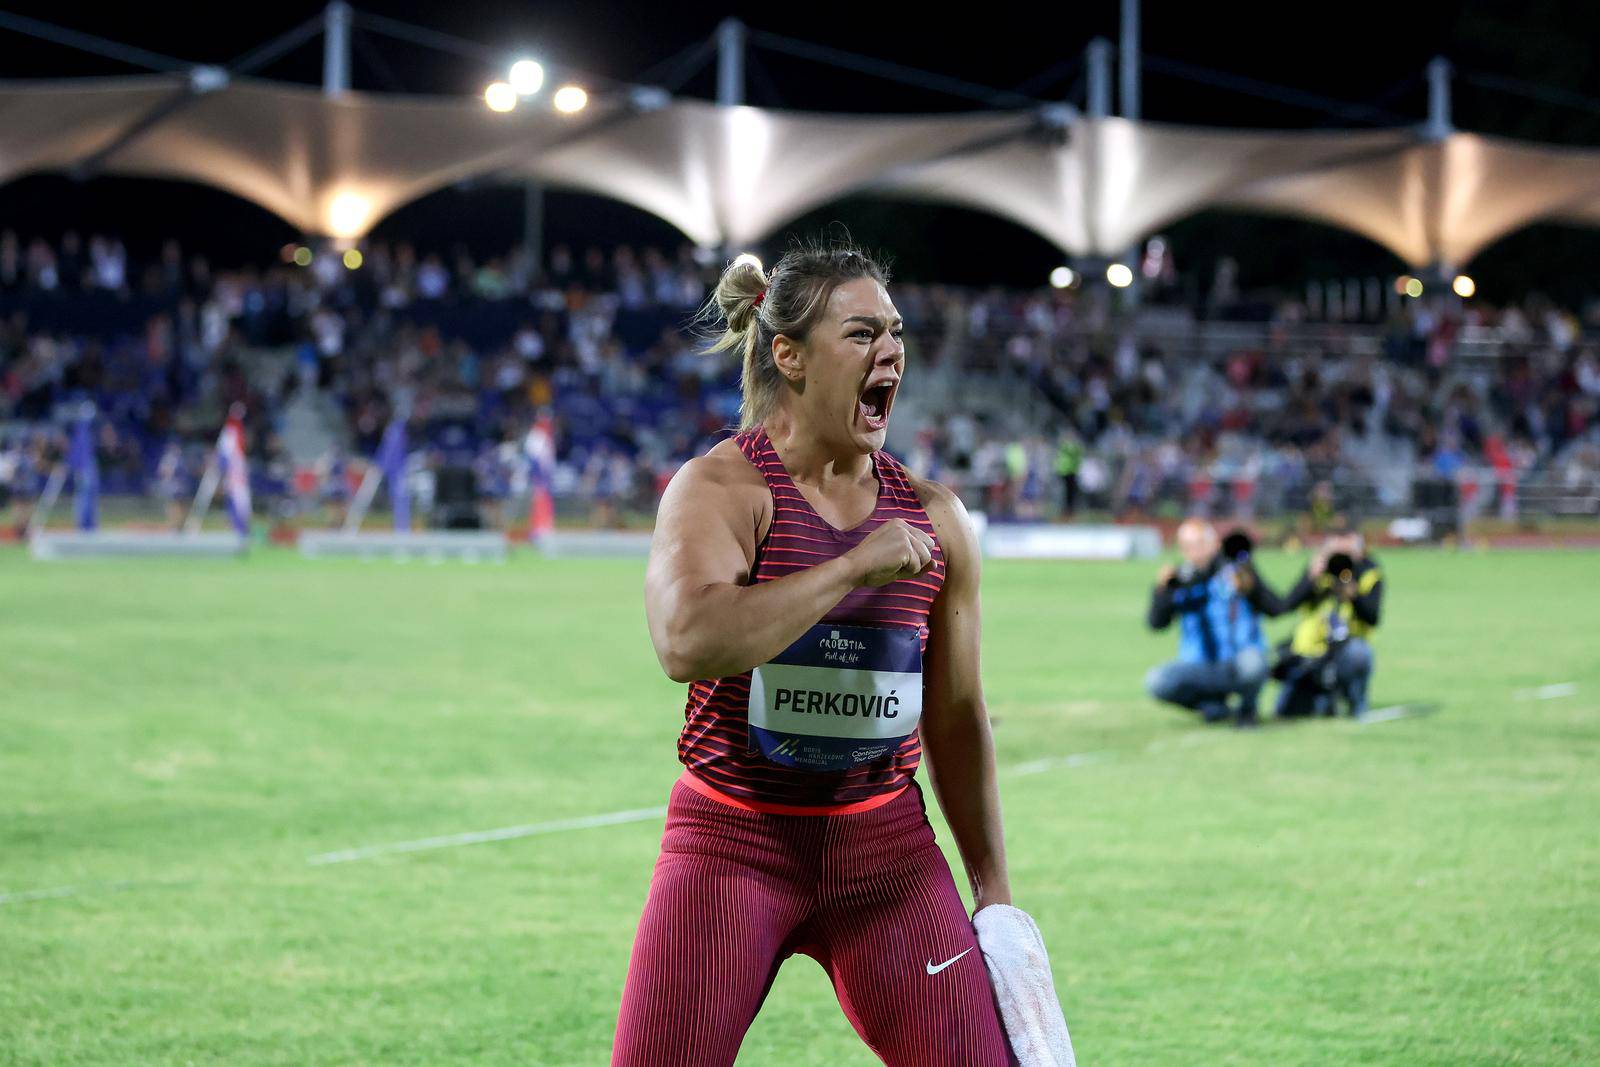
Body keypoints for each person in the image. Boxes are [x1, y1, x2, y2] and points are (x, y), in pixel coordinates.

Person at [613, 243, 1013, 1065]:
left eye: (895, 332)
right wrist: (853, 565)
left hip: (888, 857)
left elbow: (957, 714)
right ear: (788, 355)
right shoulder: (721, 490)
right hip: (731, 845)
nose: (891, 351)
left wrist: (992, 889)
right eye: (863, 333)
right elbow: (687, 640)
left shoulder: (937, 518)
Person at [1144, 519, 1276, 725]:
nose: (1193, 552)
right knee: (1156, 681)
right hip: (1198, 665)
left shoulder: (1236, 573)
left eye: (1198, 545)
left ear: (1214, 544)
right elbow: (1156, 624)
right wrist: (1162, 591)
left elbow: (1275, 608)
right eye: (1186, 547)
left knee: (1254, 663)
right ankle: (1212, 705)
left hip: (1236, 661)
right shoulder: (1180, 580)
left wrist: (1251, 584)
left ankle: (1247, 709)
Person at [1266, 529, 1383, 718]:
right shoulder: (1318, 573)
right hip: (1311, 651)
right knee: (1288, 712)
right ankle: (1324, 700)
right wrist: (1311, 577)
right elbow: (1287, 605)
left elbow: (1373, 617)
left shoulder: (1367, 573)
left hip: (1346, 649)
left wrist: (1353, 595)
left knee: (1359, 653)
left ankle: (1356, 703)